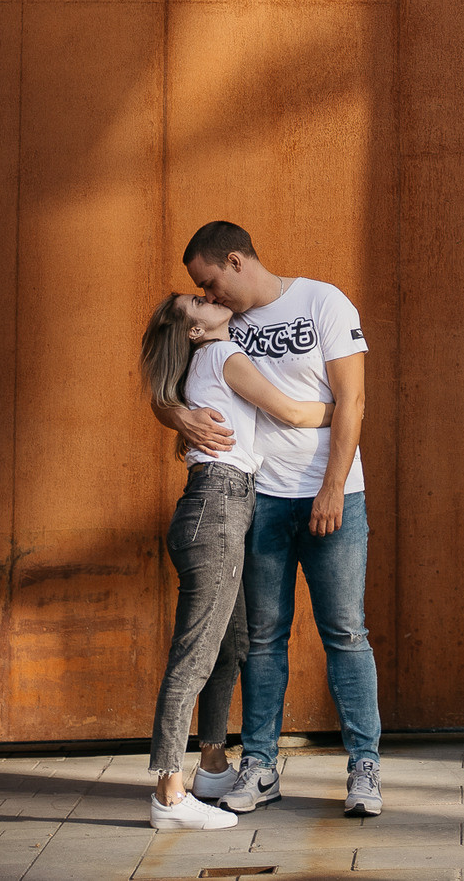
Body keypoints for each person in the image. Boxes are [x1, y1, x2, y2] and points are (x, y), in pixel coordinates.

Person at [161, 221, 385, 818]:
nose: (208, 296)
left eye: (210, 283)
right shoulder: (222, 326)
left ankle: (364, 766)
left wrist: (332, 487)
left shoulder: (323, 301)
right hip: (261, 500)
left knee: (346, 632)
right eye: (201, 292)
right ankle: (260, 765)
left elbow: (353, 399)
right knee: (263, 639)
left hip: (334, 494)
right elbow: (164, 373)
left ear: (236, 261)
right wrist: (176, 416)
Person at [136, 294, 336, 829]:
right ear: (194, 331)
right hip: (217, 506)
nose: (207, 297)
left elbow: (164, 396)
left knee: (232, 645)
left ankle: (212, 766)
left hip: (226, 503)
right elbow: (289, 410)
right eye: (196, 301)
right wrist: (348, 406)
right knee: (195, 654)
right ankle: (168, 794)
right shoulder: (223, 354)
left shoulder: (208, 355)